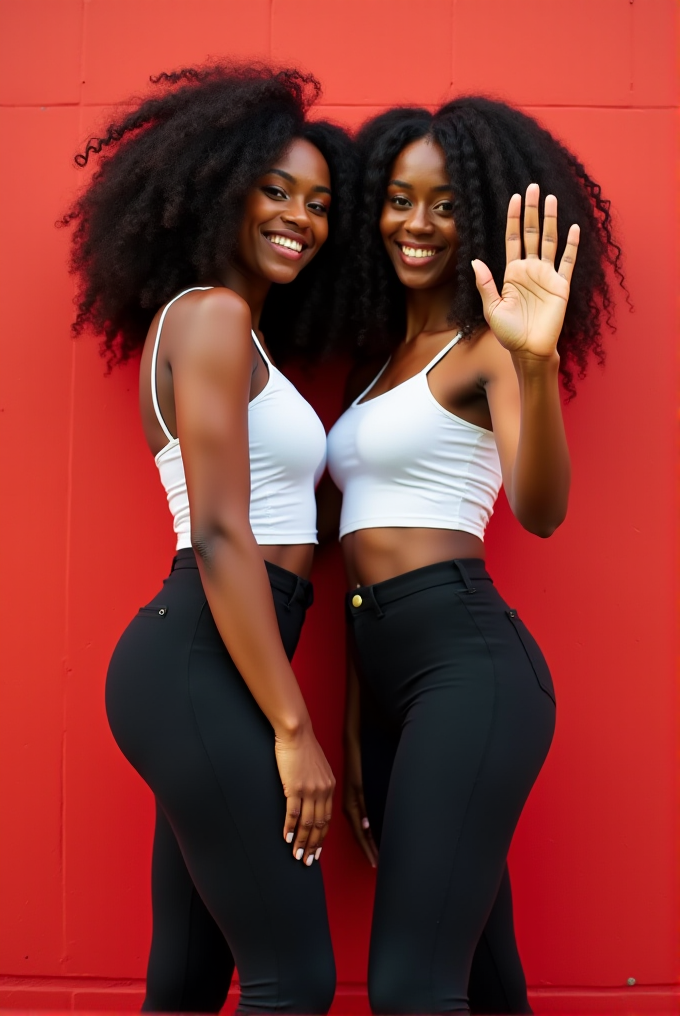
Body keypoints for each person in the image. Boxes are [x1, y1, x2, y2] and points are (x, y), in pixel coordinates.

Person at [63, 64, 356, 1014]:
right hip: (202, 651)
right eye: (275, 190)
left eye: (318, 203)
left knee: (188, 980)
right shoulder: (214, 316)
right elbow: (225, 534)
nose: (299, 218)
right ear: (223, 185)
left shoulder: (218, 329)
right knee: (296, 977)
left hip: (208, 652)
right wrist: (294, 728)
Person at [326, 97, 624, 1014]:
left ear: (482, 216)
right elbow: (352, 555)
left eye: (447, 204)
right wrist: (352, 715)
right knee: (485, 980)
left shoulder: (490, 348)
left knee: (411, 987)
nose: (418, 224)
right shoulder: (375, 362)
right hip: (387, 676)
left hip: (467, 666)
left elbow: (541, 510)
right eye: (400, 199)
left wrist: (534, 364)